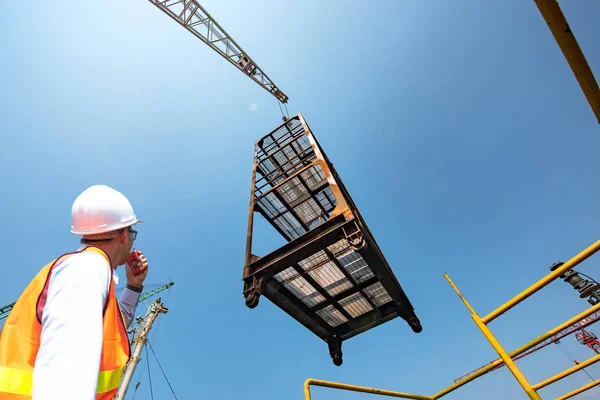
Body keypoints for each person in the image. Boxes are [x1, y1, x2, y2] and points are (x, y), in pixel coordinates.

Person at [0, 184, 149, 400]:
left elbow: (114, 331)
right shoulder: (89, 268)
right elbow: (66, 369)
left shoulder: (84, 269)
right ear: (124, 234)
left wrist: (133, 285)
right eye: (133, 233)